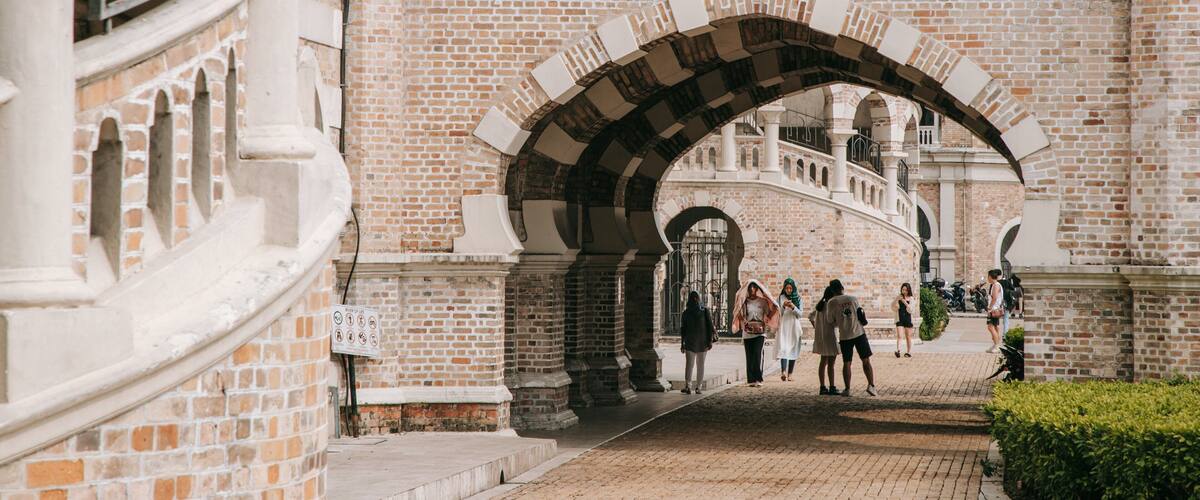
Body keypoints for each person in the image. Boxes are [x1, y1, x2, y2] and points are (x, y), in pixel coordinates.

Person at [824, 280, 877, 397]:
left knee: (847, 362)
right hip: (859, 332)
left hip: (845, 335)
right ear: (842, 287)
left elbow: (830, 320)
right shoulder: (853, 299)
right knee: (866, 360)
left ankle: (847, 389)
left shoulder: (832, 302)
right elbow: (860, 313)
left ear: (832, 290)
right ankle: (871, 385)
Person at [731, 280, 779, 387]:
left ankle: (758, 378)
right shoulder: (745, 301)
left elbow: (769, 312)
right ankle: (751, 379)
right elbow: (740, 314)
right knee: (750, 356)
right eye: (750, 287)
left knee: (757, 354)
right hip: (748, 332)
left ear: (757, 289)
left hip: (760, 332)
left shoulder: (762, 302)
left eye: (754, 287)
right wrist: (743, 320)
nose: (752, 289)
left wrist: (771, 314)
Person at [678, 291, 716, 395]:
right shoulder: (704, 311)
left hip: (691, 341)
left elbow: (683, 330)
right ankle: (698, 387)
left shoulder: (686, 312)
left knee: (689, 365)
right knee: (700, 365)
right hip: (702, 342)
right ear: (698, 299)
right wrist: (710, 341)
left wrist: (682, 343)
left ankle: (688, 386)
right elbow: (710, 326)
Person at [809, 284, 841, 395]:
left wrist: (816, 327)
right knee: (831, 364)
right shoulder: (830, 305)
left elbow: (810, 316)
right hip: (831, 336)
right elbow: (834, 322)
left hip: (821, 337)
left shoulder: (820, 306)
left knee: (823, 362)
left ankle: (822, 386)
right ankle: (832, 386)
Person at [774, 278, 804, 381]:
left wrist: (793, 307)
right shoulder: (780, 298)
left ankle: (790, 373)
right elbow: (777, 313)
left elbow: (800, 314)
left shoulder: (798, 298)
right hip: (783, 326)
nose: (789, 290)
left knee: (792, 349)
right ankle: (783, 372)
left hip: (794, 327)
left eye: (790, 288)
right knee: (784, 348)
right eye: (787, 288)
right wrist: (783, 306)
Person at [892, 283, 915, 358]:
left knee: (908, 337)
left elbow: (911, 310)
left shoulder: (911, 298)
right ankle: (898, 351)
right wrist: (896, 300)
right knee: (899, 335)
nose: (904, 291)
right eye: (903, 289)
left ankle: (908, 352)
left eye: (906, 290)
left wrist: (905, 302)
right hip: (900, 319)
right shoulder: (898, 298)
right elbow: (893, 308)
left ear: (908, 290)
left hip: (908, 319)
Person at [985, 269, 1004, 353]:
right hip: (996, 308)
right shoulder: (996, 285)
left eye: (988, 276)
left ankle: (997, 345)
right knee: (995, 327)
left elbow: (995, 297)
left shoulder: (996, 285)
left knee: (990, 327)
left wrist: (990, 307)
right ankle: (996, 344)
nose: (987, 278)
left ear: (990, 276)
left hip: (994, 309)